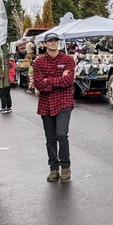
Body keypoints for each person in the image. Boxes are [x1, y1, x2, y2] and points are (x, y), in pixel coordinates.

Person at [33, 33, 76, 182]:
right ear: (44, 44)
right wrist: (59, 78)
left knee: (61, 134)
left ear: (58, 43)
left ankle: (65, 167)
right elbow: (39, 84)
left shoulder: (68, 60)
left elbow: (68, 81)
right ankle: (53, 169)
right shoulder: (38, 63)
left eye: (55, 41)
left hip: (64, 102)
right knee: (50, 138)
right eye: (50, 41)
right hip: (46, 105)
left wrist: (48, 80)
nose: (53, 43)